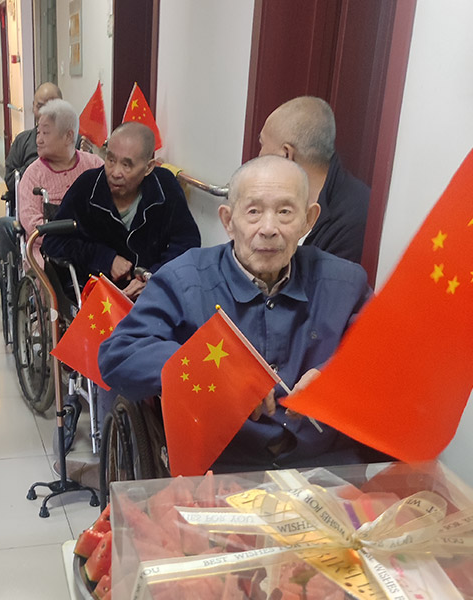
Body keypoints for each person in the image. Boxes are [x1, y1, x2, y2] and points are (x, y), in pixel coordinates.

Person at [99, 155, 389, 473]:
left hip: (322, 464)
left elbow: (385, 353)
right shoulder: (184, 280)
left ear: (309, 220)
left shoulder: (345, 282)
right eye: (253, 212)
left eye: (285, 212)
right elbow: (119, 354)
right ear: (228, 221)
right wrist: (217, 373)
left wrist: (332, 378)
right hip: (220, 465)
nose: (269, 229)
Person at [43, 122, 201, 301]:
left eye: (127, 165)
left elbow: (187, 242)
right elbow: (53, 241)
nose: (115, 172)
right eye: (110, 160)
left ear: (148, 167)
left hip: (152, 294)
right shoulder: (87, 187)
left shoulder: (165, 187)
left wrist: (153, 277)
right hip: (97, 294)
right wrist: (105, 259)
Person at [258, 96, 370, 264]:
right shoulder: (280, 195)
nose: (259, 156)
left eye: (262, 144)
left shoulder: (354, 221)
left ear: (286, 154)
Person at [18, 99, 103, 267]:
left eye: (45, 133)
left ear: (68, 136)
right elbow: (31, 221)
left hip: (91, 245)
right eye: (38, 133)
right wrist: (64, 239)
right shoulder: (33, 174)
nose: (38, 140)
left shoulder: (95, 165)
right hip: (47, 249)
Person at [3, 82, 63, 200]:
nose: (45, 113)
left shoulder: (73, 142)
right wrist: (37, 164)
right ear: (33, 107)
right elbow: (11, 183)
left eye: (52, 107)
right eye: (40, 107)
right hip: (29, 203)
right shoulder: (22, 141)